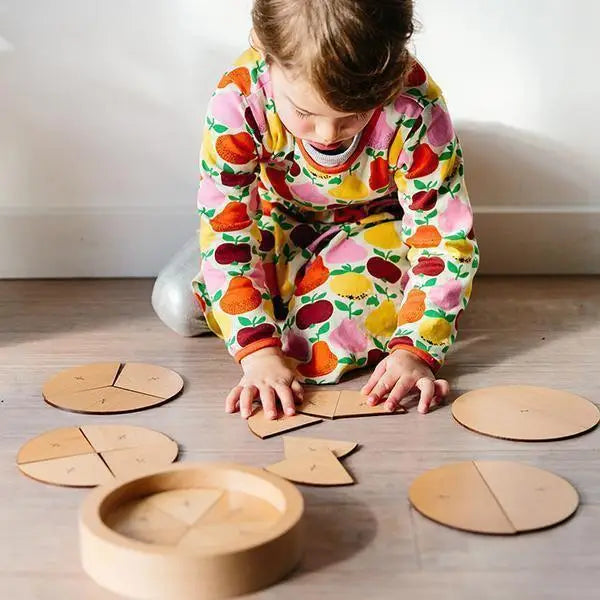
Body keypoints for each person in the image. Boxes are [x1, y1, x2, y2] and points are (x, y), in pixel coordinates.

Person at [153, 0, 478, 420]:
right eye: (304, 112)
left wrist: (417, 347)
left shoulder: (416, 107)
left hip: (373, 228)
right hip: (273, 221)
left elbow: (443, 239)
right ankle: (311, 297)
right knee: (178, 302)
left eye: (353, 116)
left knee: (317, 344)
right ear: (262, 51)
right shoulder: (239, 98)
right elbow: (227, 231)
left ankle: (399, 302)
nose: (327, 134)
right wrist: (258, 352)